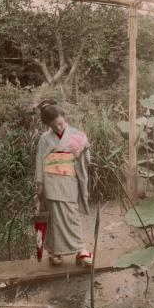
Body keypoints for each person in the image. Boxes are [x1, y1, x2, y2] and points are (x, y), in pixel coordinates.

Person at [34, 99, 93, 266]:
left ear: (64, 117)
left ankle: (80, 249)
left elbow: (85, 160)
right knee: (55, 219)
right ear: (49, 126)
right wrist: (39, 182)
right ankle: (55, 252)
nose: (58, 128)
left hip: (69, 181)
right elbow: (40, 161)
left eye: (60, 123)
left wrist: (85, 149)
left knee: (72, 215)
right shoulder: (45, 139)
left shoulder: (77, 135)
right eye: (54, 126)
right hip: (51, 181)